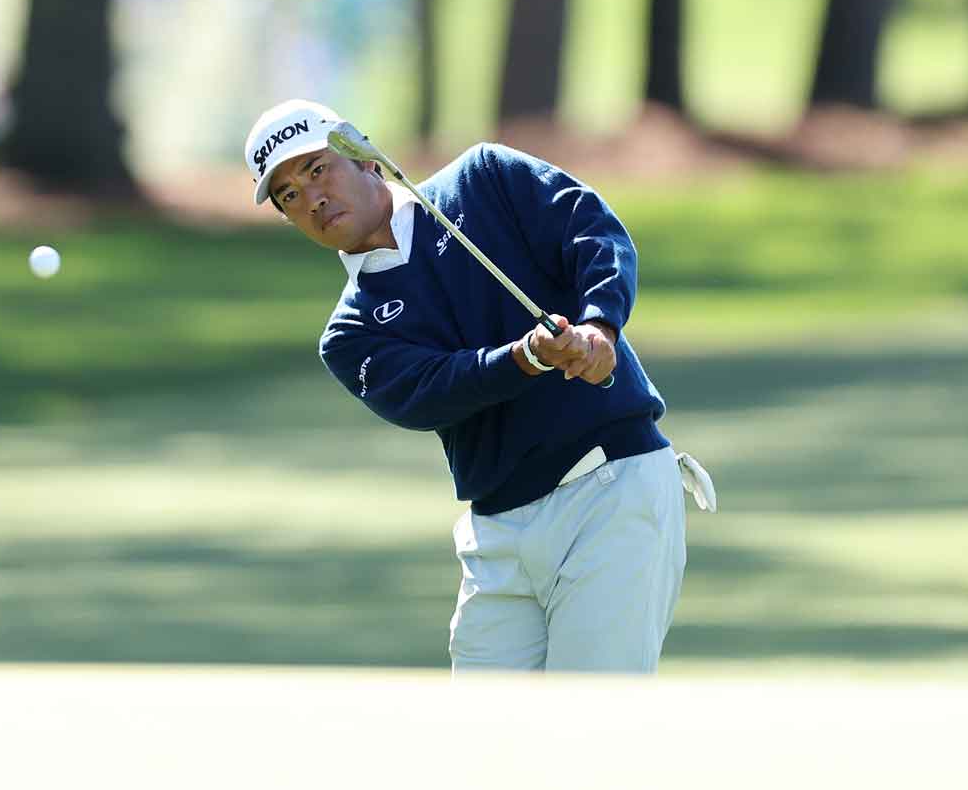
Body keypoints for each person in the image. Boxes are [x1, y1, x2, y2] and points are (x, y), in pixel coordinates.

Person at [244, 98, 713, 674]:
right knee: (487, 727)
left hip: (609, 485)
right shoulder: (349, 333)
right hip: (497, 533)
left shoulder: (483, 179)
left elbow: (592, 231)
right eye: (289, 195)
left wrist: (600, 326)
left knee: (592, 718)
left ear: (365, 157)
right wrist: (526, 357)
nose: (312, 198)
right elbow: (430, 393)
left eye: (318, 169)